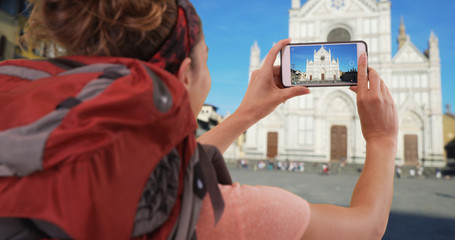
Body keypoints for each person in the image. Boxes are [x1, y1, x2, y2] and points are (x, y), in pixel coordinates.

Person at [0, 0, 398, 239]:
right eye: (207, 58)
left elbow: (166, 163)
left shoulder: (35, 146)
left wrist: (244, 114)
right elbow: (366, 228)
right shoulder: (222, 214)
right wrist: (381, 137)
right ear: (187, 74)